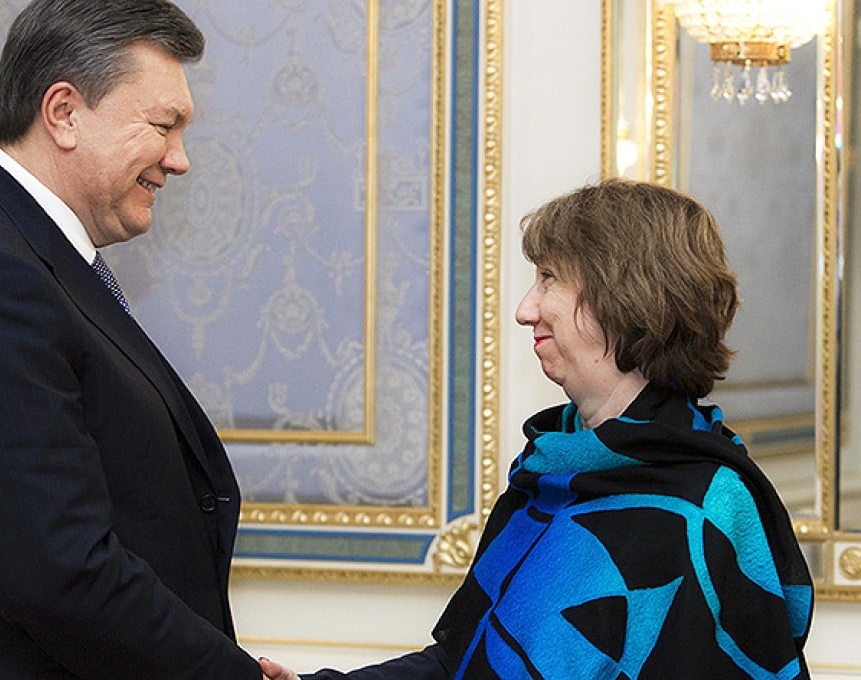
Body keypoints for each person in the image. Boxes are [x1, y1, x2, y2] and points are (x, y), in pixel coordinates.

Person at [261, 178, 814, 679]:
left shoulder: (706, 509)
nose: (526, 309)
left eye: (549, 279)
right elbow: (465, 660)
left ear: (625, 296)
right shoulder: (551, 471)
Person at [0, 1, 266, 677]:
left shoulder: (23, 254)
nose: (180, 159)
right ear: (65, 113)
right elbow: (60, 572)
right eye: (164, 126)